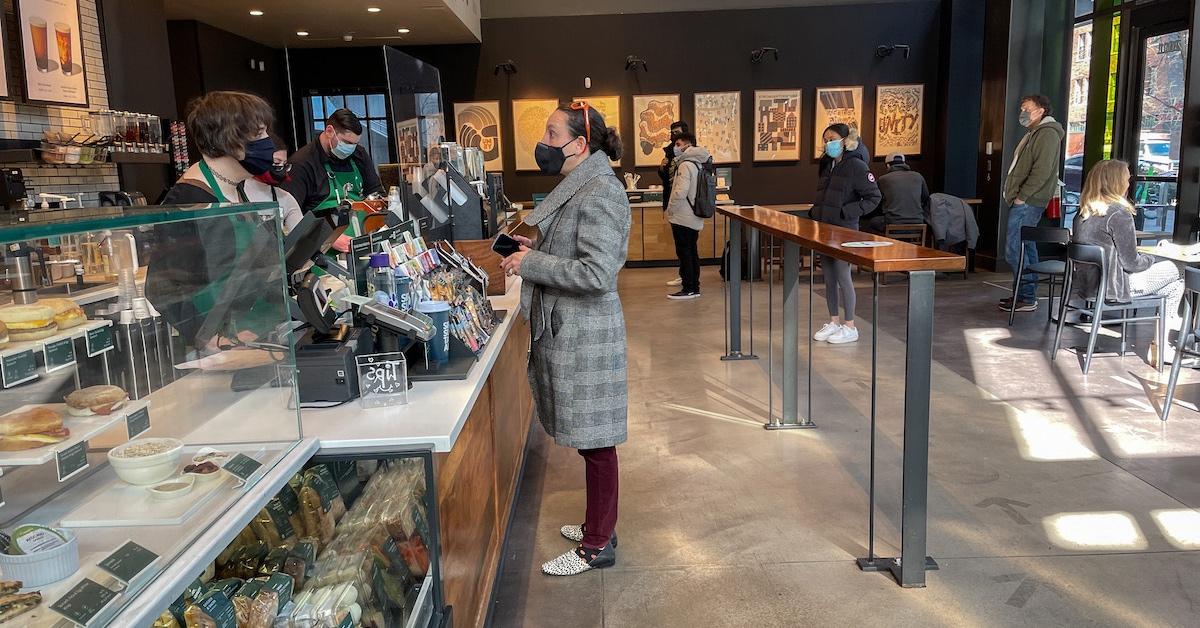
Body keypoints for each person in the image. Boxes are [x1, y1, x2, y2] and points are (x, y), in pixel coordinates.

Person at [498, 101, 630, 577]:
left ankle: (598, 545)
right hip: (574, 329)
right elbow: (577, 250)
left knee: (598, 442)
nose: (544, 143)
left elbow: (597, 272)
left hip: (586, 332)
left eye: (552, 134)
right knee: (593, 439)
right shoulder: (584, 185)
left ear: (579, 144)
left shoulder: (599, 192)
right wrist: (539, 248)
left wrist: (530, 264)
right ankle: (601, 523)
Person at [147, 91, 285, 349]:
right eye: (259, 134)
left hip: (255, 333)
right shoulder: (189, 198)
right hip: (222, 348)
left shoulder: (236, 188)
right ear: (229, 139)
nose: (268, 142)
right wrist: (208, 338)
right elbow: (163, 286)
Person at [1070, 159, 1183, 336]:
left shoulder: (1083, 213)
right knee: (1180, 267)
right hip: (1115, 288)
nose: (1129, 184)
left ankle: (1165, 345)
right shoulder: (1119, 213)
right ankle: (1176, 331)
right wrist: (1156, 258)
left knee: (1175, 286)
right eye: (1127, 179)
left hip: (1089, 287)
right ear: (1116, 182)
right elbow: (1132, 264)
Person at [810, 124, 882, 345]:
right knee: (829, 277)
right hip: (825, 229)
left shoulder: (857, 166)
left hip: (845, 230)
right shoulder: (829, 165)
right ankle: (834, 321)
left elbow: (874, 197)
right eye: (825, 139)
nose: (827, 143)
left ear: (845, 140)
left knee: (843, 276)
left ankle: (850, 325)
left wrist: (846, 212)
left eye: (831, 138)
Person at [281, 108, 384, 252]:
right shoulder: (302, 164)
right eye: (347, 142)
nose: (351, 149)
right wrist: (328, 237)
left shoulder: (358, 154)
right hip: (321, 252)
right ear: (329, 131)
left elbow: (375, 192)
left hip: (362, 243)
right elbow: (289, 217)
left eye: (354, 144)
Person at [1000, 94, 1064, 313]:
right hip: (1026, 200)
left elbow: (1042, 170)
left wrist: (1022, 197)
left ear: (1041, 111)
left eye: (1027, 108)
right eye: (1021, 108)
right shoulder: (1035, 133)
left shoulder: (1046, 134)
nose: (1022, 112)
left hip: (1028, 201)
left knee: (1014, 248)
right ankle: (1026, 294)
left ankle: (1027, 296)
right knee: (1027, 246)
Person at [664, 131, 710, 300]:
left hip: (683, 216)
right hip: (693, 215)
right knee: (692, 252)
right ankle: (693, 286)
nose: (676, 148)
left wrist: (671, 208)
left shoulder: (685, 165)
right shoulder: (698, 164)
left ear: (687, 145)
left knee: (685, 253)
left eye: (678, 144)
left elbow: (680, 192)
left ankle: (689, 288)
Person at [241, 133, 303, 233]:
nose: (281, 168)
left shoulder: (285, 198)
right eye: (276, 163)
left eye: (284, 164)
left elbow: (301, 237)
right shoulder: (235, 193)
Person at [864, 153, 929, 234]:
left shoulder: (883, 179)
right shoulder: (918, 176)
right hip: (918, 223)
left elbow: (876, 200)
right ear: (904, 163)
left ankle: (886, 244)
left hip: (893, 224)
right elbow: (926, 198)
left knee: (873, 221)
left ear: (888, 165)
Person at [660, 121, 689, 287]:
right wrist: (662, 168)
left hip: (685, 205)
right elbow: (668, 180)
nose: (674, 136)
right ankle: (683, 274)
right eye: (672, 133)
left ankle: (688, 279)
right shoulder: (669, 153)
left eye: (677, 132)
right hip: (673, 201)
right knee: (680, 243)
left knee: (686, 244)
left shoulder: (690, 156)